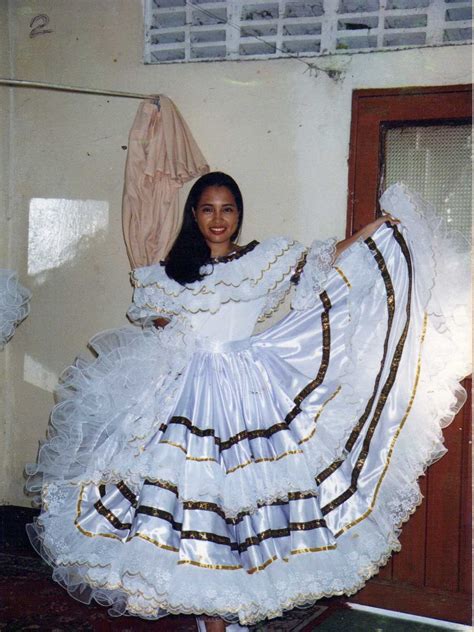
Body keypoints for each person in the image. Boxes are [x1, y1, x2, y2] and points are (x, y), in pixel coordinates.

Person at [26, 172, 470, 631]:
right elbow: (164, 335)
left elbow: (326, 259)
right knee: (194, 511)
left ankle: (225, 615)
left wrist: (375, 229)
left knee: (243, 511)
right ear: (194, 214)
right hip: (186, 400)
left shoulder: (262, 260)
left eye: (227, 209)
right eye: (208, 209)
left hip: (248, 395)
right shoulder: (166, 276)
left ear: (238, 214)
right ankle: (213, 620)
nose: (218, 219)